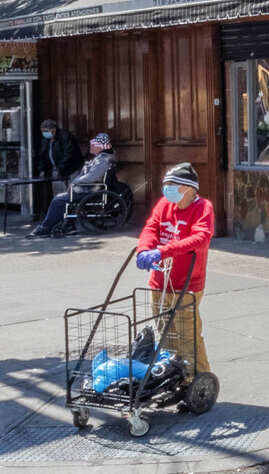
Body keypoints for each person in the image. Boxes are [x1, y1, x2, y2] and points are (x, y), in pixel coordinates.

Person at [134, 163, 218, 384]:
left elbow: (201, 238)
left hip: (187, 283)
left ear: (188, 188)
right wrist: (144, 249)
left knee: (187, 334)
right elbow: (151, 228)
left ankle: (198, 380)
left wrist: (163, 251)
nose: (167, 190)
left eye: (172, 185)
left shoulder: (202, 208)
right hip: (160, 282)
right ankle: (174, 377)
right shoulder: (164, 204)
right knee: (166, 333)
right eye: (166, 185)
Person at [30, 133, 115, 238]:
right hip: (88, 188)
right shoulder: (100, 157)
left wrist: (75, 182)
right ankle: (69, 226)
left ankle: (45, 228)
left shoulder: (102, 160)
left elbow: (93, 177)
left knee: (57, 200)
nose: (91, 146)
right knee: (62, 199)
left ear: (99, 147)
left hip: (90, 190)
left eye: (93, 145)